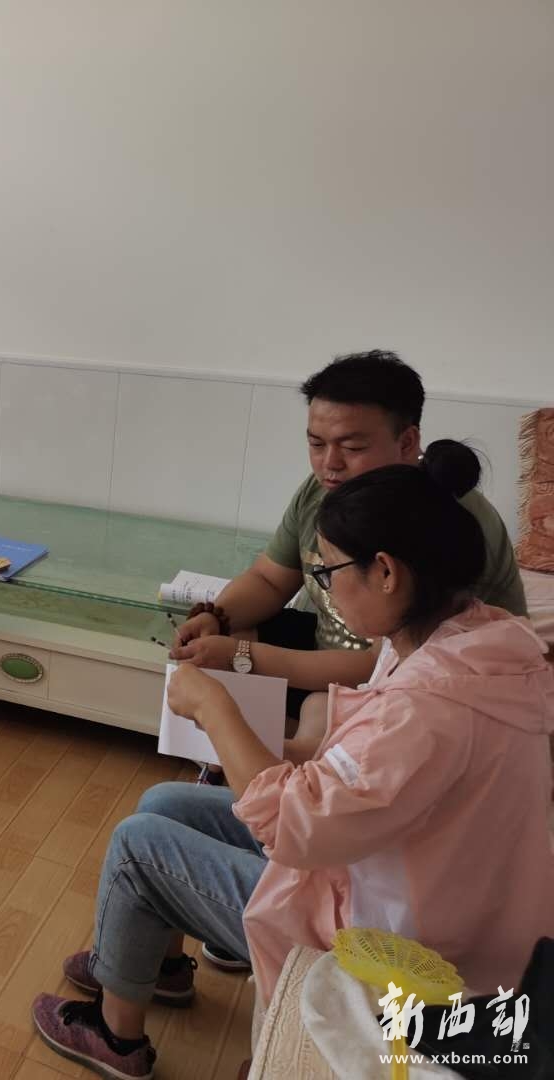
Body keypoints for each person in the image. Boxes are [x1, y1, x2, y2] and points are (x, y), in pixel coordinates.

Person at [29, 447, 554, 1080]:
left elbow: (293, 822)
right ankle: (153, 964)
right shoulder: (476, 641)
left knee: (138, 845)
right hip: (439, 892)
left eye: (329, 573)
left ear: (386, 571)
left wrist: (215, 707)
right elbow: (362, 775)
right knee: (164, 803)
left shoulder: (429, 708)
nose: (325, 589)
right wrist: (252, 698)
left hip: (406, 948)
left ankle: (117, 1040)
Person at [174, 350, 525, 760]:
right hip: (336, 659)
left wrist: (245, 658)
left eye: (352, 447)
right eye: (316, 444)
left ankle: (273, 764)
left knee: (310, 704)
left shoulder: (441, 519)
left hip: (409, 683)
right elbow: (269, 579)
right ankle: (247, 759)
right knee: (231, 635)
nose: (330, 464)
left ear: (407, 442)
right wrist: (215, 619)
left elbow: (388, 661)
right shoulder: (322, 491)